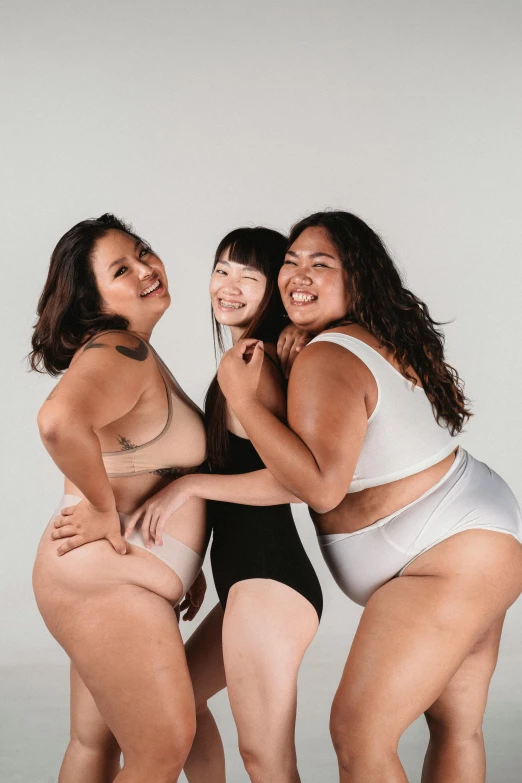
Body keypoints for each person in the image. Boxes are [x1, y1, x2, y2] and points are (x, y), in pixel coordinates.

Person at [215, 211, 522, 783]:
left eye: (321, 264)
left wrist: (246, 399)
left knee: (360, 736)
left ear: (358, 279)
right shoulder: (351, 340)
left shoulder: (328, 355)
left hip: (445, 556)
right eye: (291, 261)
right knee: (457, 728)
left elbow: (321, 486)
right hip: (474, 541)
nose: (298, 274)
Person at [129, 227, 322, 783]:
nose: (228, 285)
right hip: (245, 579)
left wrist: (188, 488)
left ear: (276, 290)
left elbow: (295, 483)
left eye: (249, 276)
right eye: (221, 270)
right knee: (175, 713)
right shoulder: (242, 361)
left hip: (270, 582)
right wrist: (196, 562)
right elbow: (231, 470)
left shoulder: (256, 365)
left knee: (266, 760)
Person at [30, 214, 208, 783]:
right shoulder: (119, 347)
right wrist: (103, 509)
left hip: (108, 577)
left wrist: (188, 554)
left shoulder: (134, 352)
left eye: (143, 252)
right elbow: (59, 421)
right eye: (121, 269)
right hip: (109, 581)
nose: (146, 269)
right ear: (93, 300)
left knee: (94, 745)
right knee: (160, 753)